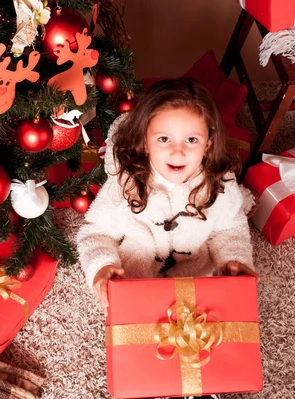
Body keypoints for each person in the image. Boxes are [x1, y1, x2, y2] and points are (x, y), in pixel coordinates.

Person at [77, 78, 257, 317]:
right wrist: (102, 266)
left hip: (196, 278)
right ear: (145, 142)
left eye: (191, 140)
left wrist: (234, 259)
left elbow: (230, 229)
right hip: (134, 278)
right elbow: (95, 232)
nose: (178, 151)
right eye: (164, 139)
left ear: (208, 142)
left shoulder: (220, 183)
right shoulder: (125, 182)